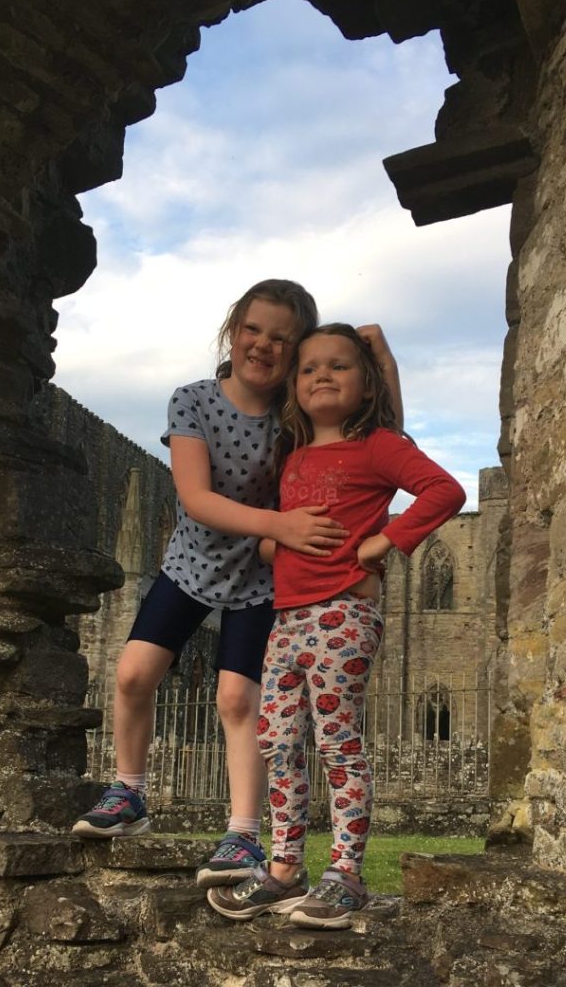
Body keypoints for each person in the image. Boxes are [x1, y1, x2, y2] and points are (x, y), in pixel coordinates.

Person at [71, 282, 403, 891]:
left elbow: (376, 435)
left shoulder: (297, 417)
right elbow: (196, 499)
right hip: (192, 564)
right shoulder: (193, 401)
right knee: (132, 674)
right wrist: (281, 524)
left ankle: (244, 835)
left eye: (282, 338)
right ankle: (129, 794)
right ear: (233, 330)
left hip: (260, 578)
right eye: (254, 329)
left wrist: (382, 360)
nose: (264, 345)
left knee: (236, 701)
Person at [207, 322, 465, 928]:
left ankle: (346, 874)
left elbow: (442, 490)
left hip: (344, 614)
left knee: (337, 743)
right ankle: (284, 869)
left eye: (340, 365)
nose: (323, 374)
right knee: (276, 741)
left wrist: (385, 541)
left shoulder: (378, 444)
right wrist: (277, 543)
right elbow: (274, 529)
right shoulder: (291, 455)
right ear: (294, 387)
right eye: (310, 367)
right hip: (288, 619)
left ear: (367, 381)